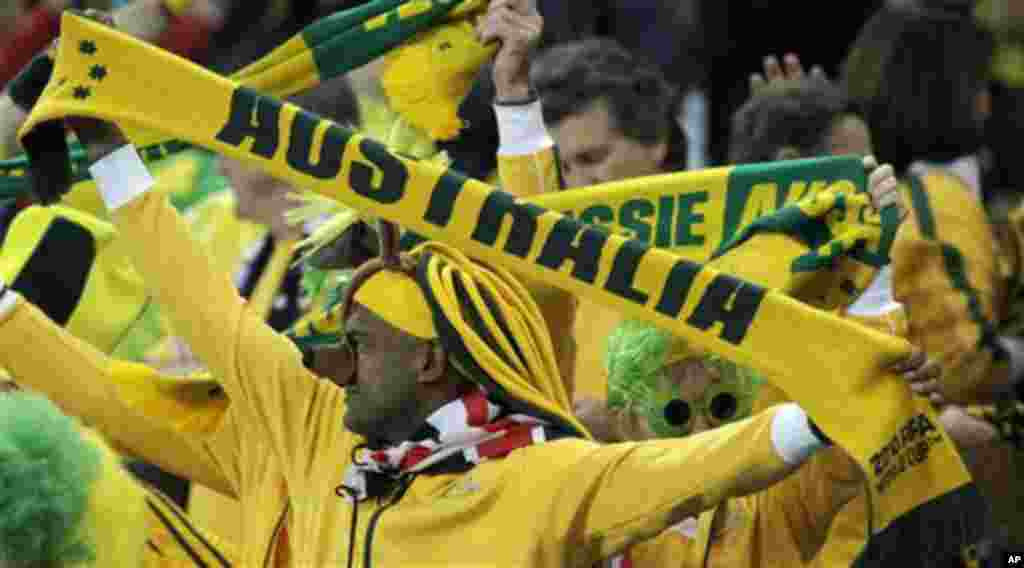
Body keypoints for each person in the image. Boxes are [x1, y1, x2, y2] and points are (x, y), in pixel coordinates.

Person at [44, 103, 925, 565]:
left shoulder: (540, 478)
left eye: (359, 338)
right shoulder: (316, 426)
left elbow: (710, 463)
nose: (334, 360)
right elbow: (204, 310)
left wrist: (829, 401)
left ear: (429, 360)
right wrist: (117, 155)